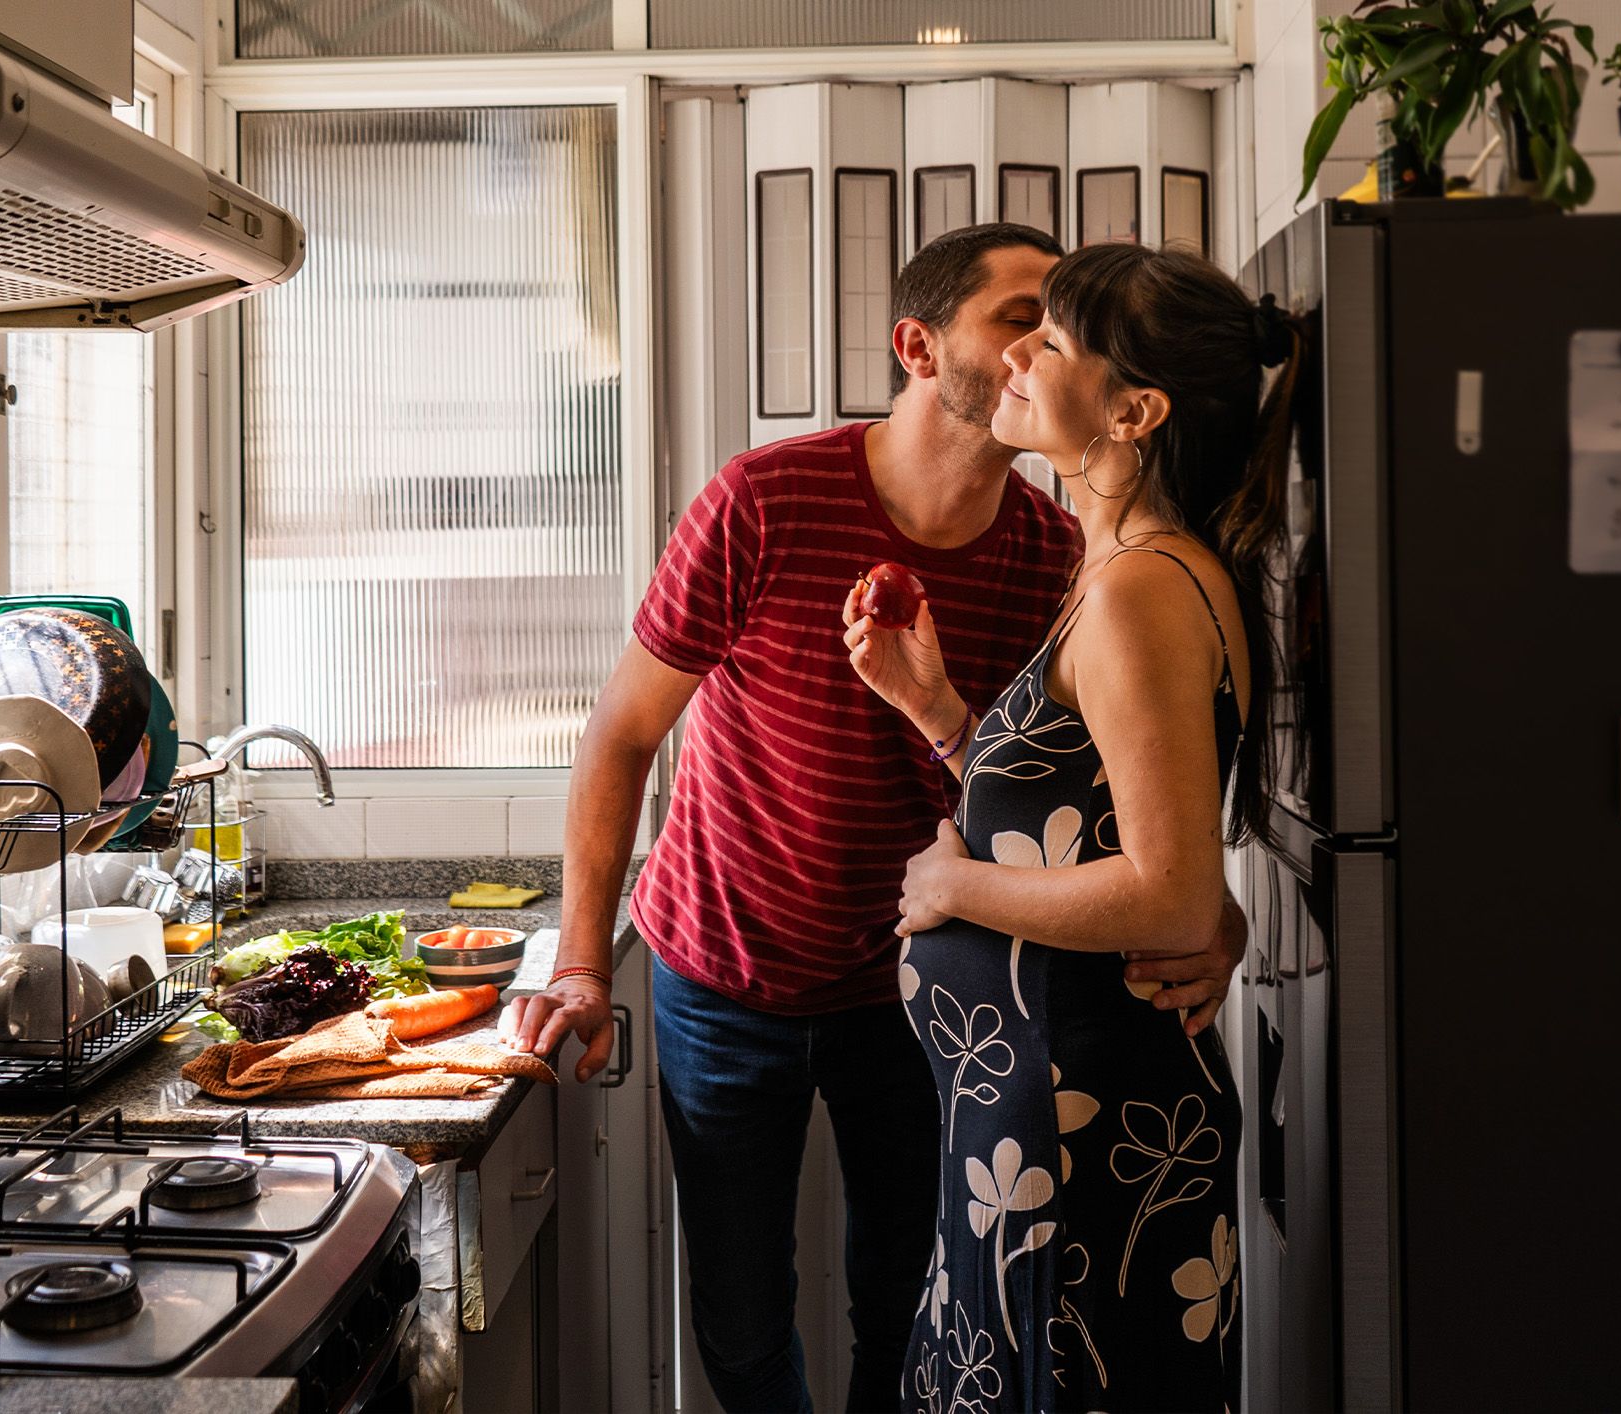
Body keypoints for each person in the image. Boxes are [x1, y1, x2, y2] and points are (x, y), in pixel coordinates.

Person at [502, 224, 1249, 1414]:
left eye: (1053, 331)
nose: (1028, 354)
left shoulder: (1063, 558)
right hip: (722, 975)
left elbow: (1083, 804)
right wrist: (583, 964)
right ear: (917, 344)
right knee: (742, 1325)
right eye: (1020, 319)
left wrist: (1210, 910)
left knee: (913, 1310)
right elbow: (622, 737)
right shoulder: (761, 500)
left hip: (918, 1010)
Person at [842, 241, 1298, 1412]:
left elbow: (1168, 896)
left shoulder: (1144, 585)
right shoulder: (1115, 567)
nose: (1017, 357)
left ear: (1132, 409)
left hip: (1082, 1138)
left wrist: (950, 891)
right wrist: (940, 714)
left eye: (1049, 341)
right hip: (1039, 1124)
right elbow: (1076, 821)